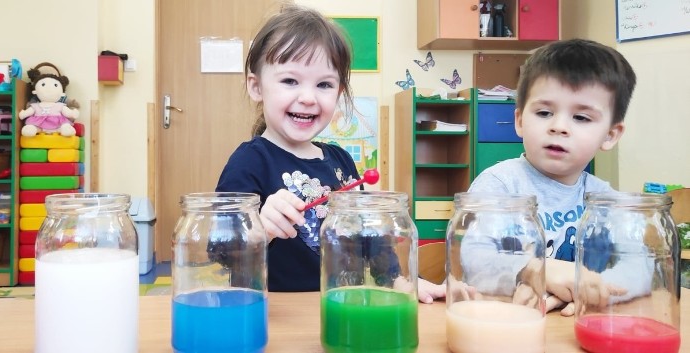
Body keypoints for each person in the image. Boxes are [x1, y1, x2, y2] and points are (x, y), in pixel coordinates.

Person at [215, 5, 445, 303]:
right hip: (273, 314)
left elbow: (369, 239)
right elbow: (219, 249)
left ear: (339, 93)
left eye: (324, 84)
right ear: (256, 86)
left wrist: (398, 279)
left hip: (339, 306)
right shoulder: (249, 161)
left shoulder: (341, 161)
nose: (308, 97)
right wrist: (259, 228)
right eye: (289, 81)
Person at [464, 39, 644, 315]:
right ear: (520, 120)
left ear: (610, 135)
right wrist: (536, 271)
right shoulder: (499, 185)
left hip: (576, 321)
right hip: (505, 320)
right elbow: (474, 259)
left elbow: (641, 265)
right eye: (544, 112)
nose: (559, 127)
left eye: (581, 118)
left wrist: (589, 288)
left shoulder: (606, 201)